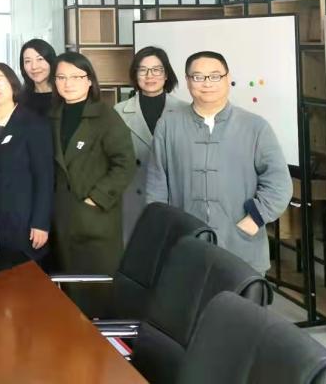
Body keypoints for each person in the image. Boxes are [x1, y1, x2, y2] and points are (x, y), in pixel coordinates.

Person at [146, 51, 292, 275]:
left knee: (241, 298)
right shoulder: (168, 125)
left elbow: (279, 183)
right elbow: (156, 185)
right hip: (185, 245)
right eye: (198, 77)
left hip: (241, 247)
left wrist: (254, 219)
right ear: (187, 81)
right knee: (188, 296)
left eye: (215, 76)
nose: (207, 83)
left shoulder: (255, 127)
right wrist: (165, 230)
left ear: (227, 78)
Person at [49, 52, 135, 317]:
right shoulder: (53, 116)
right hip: (61, 217)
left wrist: (96, 199)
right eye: (61, 77)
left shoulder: (106, 116)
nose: (68, 83)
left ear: (89, 81)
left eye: (76, 77)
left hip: (96, 219)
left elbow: (125, 164)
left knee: (97, 290)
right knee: (67, 289)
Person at [0, 62, 54, 262]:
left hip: (24, 220)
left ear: (12, 84)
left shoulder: (33, 123)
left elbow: (44, 176)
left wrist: (40, 222)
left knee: (23, 276)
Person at [114, 46, 187, 243]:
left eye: (156, 70)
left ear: (166, 74)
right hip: (132, 198)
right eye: (143, 70)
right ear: (135, 74)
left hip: (174, 199)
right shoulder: (118, 112)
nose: (150, 76)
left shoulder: (185, 111)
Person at [20, 39, 57, 116]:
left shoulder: (64, 94)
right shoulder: (20, 99)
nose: (34, 67)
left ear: (51, 61)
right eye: (28, 61)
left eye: (40, 59)